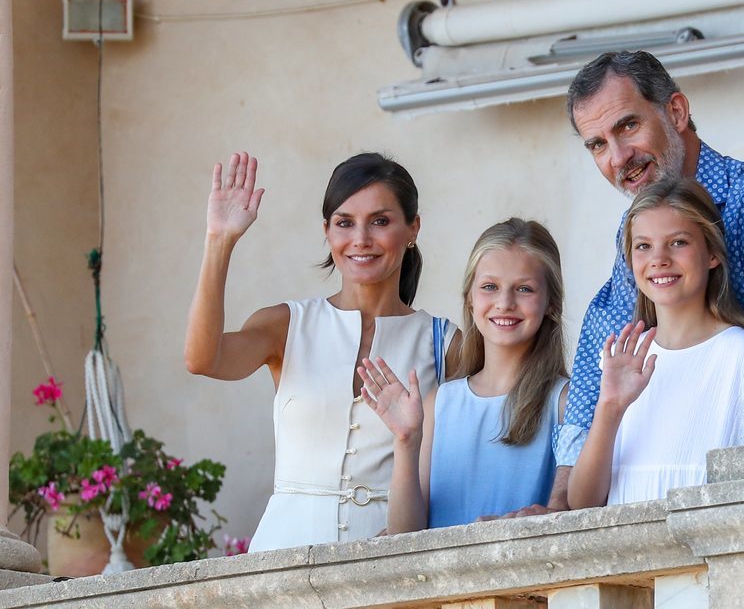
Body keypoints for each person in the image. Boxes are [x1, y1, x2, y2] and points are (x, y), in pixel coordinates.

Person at [184, 151, 458, 551]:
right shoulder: (286, 324)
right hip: (280, 559)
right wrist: (219, 241)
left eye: (380, 221)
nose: (361, 239)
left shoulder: (446, 342)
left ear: (412, 228)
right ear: (327, 231)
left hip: (390, 564)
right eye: (345, 223)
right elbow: (202, 359)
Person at [553, 50, 744, 498]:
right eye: (597, 144)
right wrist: (560, 501)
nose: (619, 157)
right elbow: (606, 336)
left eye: (627, 126)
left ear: (676, 112)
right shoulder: (631, 224)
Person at [358, 218, 569, 532]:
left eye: (524, 288)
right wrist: (406, 441)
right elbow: (404, 536)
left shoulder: (565, 401)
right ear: (470, 299)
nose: (505, 303)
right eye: (489, 287)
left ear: (551, 302)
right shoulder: (439, 403)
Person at [568, 178, 744, 508]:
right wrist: (610, 406)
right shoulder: (622, 360)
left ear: (712, 254)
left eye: (677, 243)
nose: (659, 259)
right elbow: (582, 503)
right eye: (643, 246)